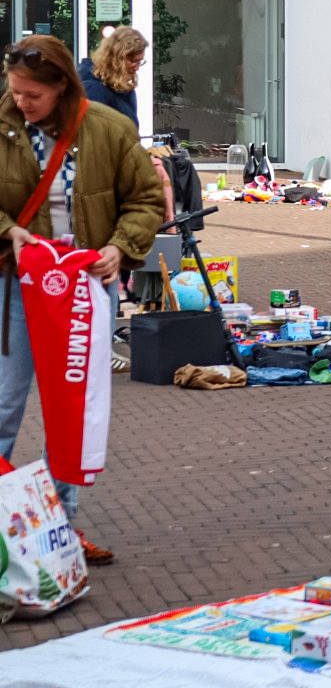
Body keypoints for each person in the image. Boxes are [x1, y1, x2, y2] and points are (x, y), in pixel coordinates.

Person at [0, 35, 164, 565]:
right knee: (5, 403)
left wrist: (121, 248)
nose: (20, 102)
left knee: (70, 411)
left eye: (32, 95)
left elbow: (144, 200)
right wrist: (9, 232)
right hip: (15, 285)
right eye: (15, 91)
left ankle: (59, 529)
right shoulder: (0, 126)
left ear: (62, 87)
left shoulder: (110, 129)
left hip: (84, 290)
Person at [77, 26, 147, 129]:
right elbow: (95, 139)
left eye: (140, 62)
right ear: (115, 59)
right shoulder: (93, 89)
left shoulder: (123, 87)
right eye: (133, 61)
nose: (137, 68)